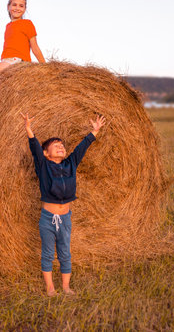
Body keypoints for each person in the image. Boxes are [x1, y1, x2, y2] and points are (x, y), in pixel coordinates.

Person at [21, 112, 106, 296]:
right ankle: (50, 287)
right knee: (48, 254)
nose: (60, 147)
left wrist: (94, 132)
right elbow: (35, 148)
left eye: (62, 145)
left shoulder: (71, 164)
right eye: (55, 146)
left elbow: (81, 148)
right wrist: (29, 129)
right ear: (46, 153)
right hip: (48, 219)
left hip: (65, 218)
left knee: (65, 253)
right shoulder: (44, 165)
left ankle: (66, 287)